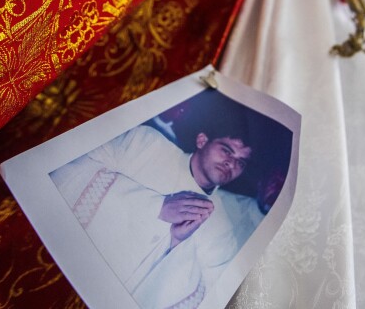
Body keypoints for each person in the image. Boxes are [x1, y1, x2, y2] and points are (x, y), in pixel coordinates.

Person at [50, 117, 260, 307]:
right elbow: (71, 167)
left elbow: (214, 293)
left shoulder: (222, 224)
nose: (231, 163)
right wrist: (157, 208)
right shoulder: (145, 143)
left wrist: (176, 244)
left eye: (241, 162)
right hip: (58, 263)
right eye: (226, 150)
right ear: (202, 140)